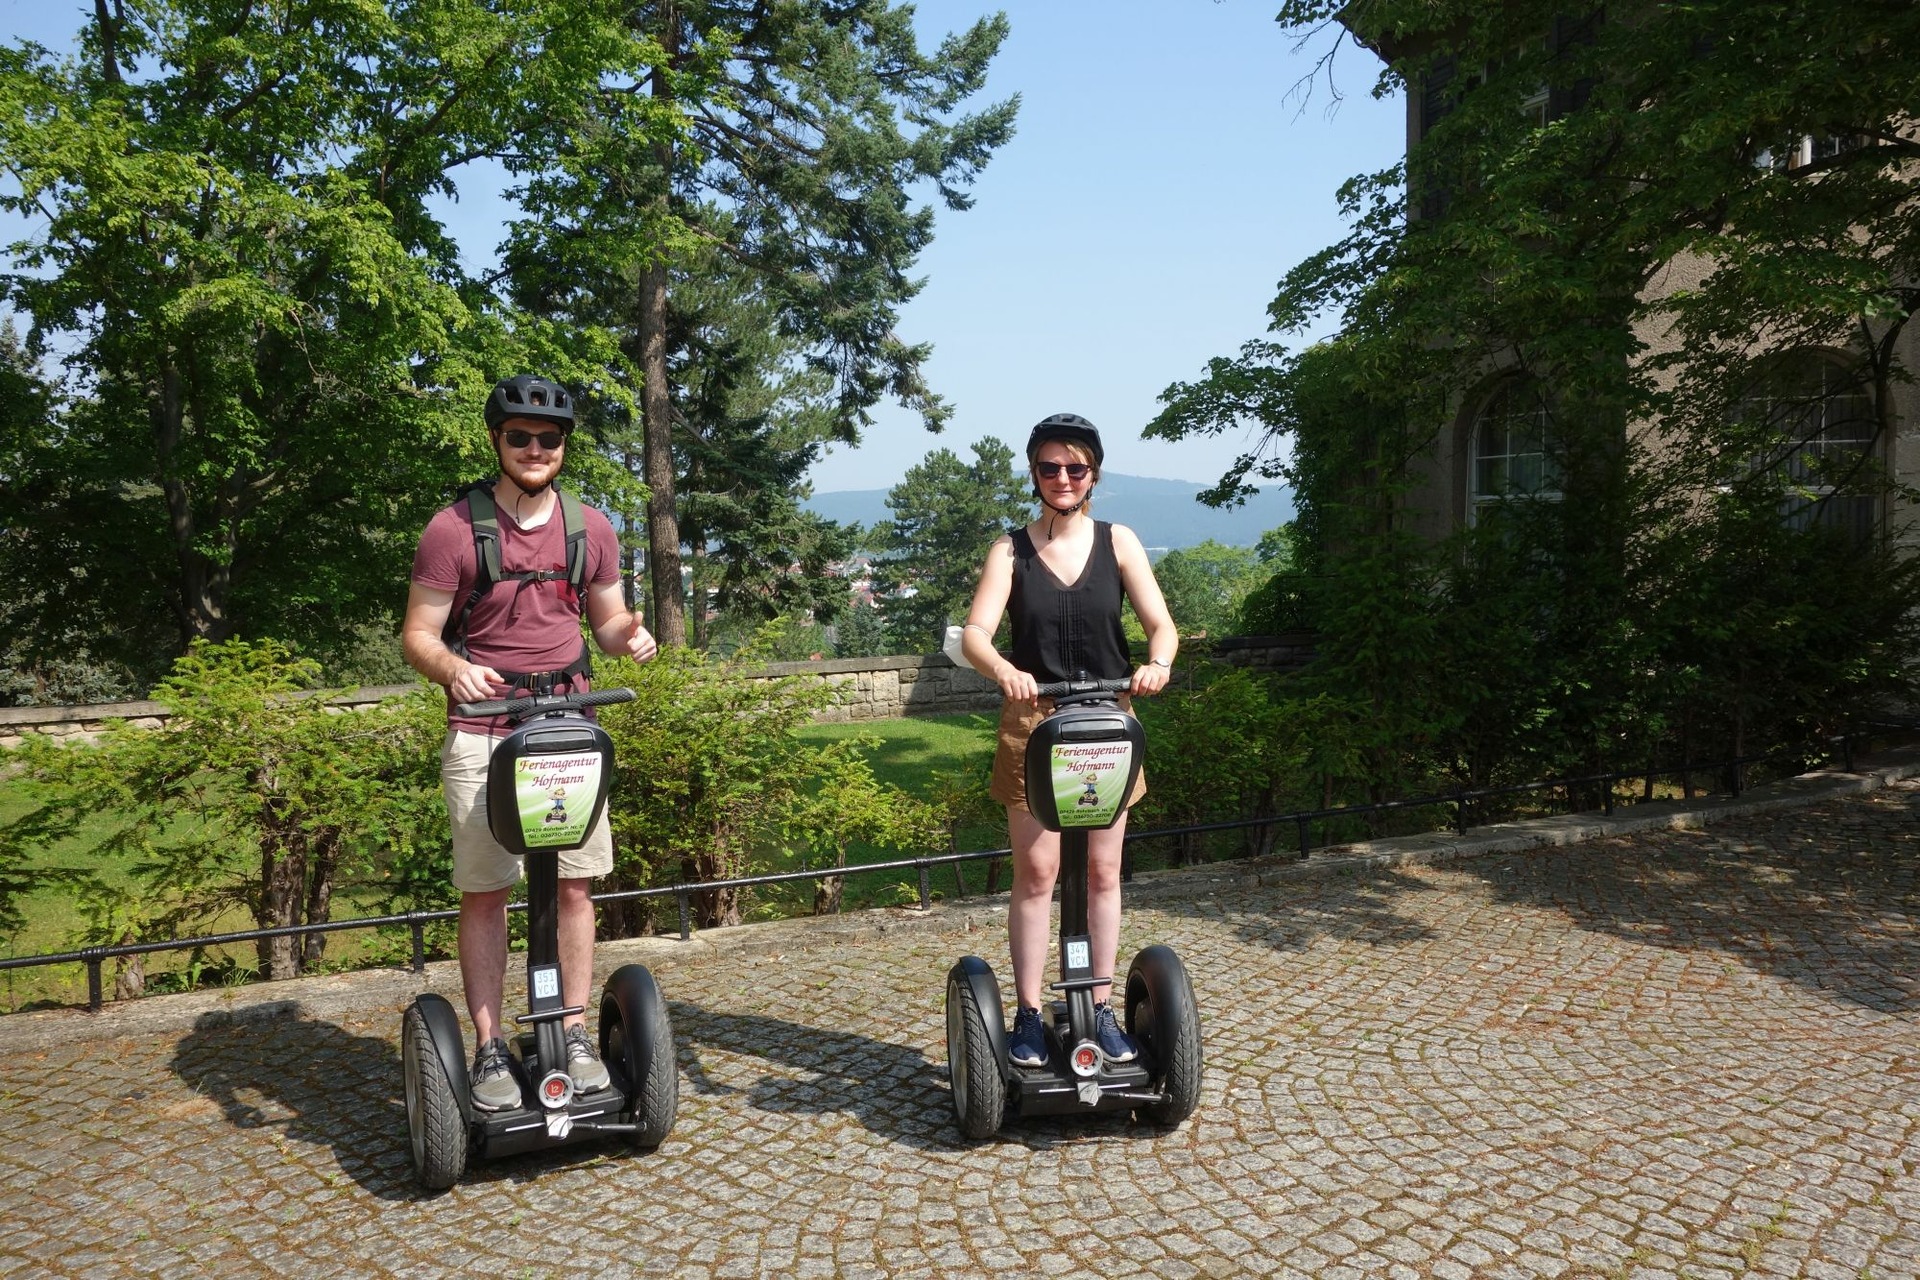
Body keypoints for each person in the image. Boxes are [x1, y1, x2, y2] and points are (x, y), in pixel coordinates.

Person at [401, 375, 659, 1111]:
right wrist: (455, 669)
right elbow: (419, 634)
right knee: (487, 891)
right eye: (521, 437)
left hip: (568, 728)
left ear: (564, 446)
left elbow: (605, 623)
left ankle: (572, 1032)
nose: (536, 449)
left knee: (574, 884)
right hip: (484, 729)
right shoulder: (453, 529)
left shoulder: (590, 527)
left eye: (549, 439)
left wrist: (629, 638)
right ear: (497, 441)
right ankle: (486, 1048)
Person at [959, 413, 1178, 1068]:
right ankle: (1029, 1015)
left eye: (1075, 467)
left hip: (1108, 720)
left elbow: (1161, 625)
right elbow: (974, 632)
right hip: (1035, 723)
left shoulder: (1120, 542)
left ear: (1094, 474)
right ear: (1034, 472)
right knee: (1038, 873)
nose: (1062, 478)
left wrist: (1157, 663)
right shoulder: (1011, 551)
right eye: (1050, 466)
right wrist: (1003, 669)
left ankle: (1101, 1008)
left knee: (1105, 871)